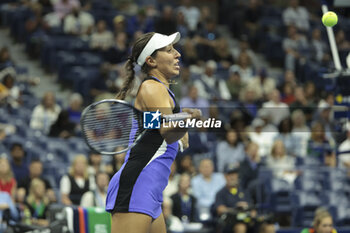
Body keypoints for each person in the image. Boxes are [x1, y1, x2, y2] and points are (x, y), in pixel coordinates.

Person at [105, 32, 201, 233]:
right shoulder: (151, 88)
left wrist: (182, 120)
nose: (178, 54)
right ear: (151, 60)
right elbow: (168, 131)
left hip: (151, 189)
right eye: (169, 50)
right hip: (138, 184)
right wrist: (186, 119)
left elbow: (160, 126)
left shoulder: (163, 93)